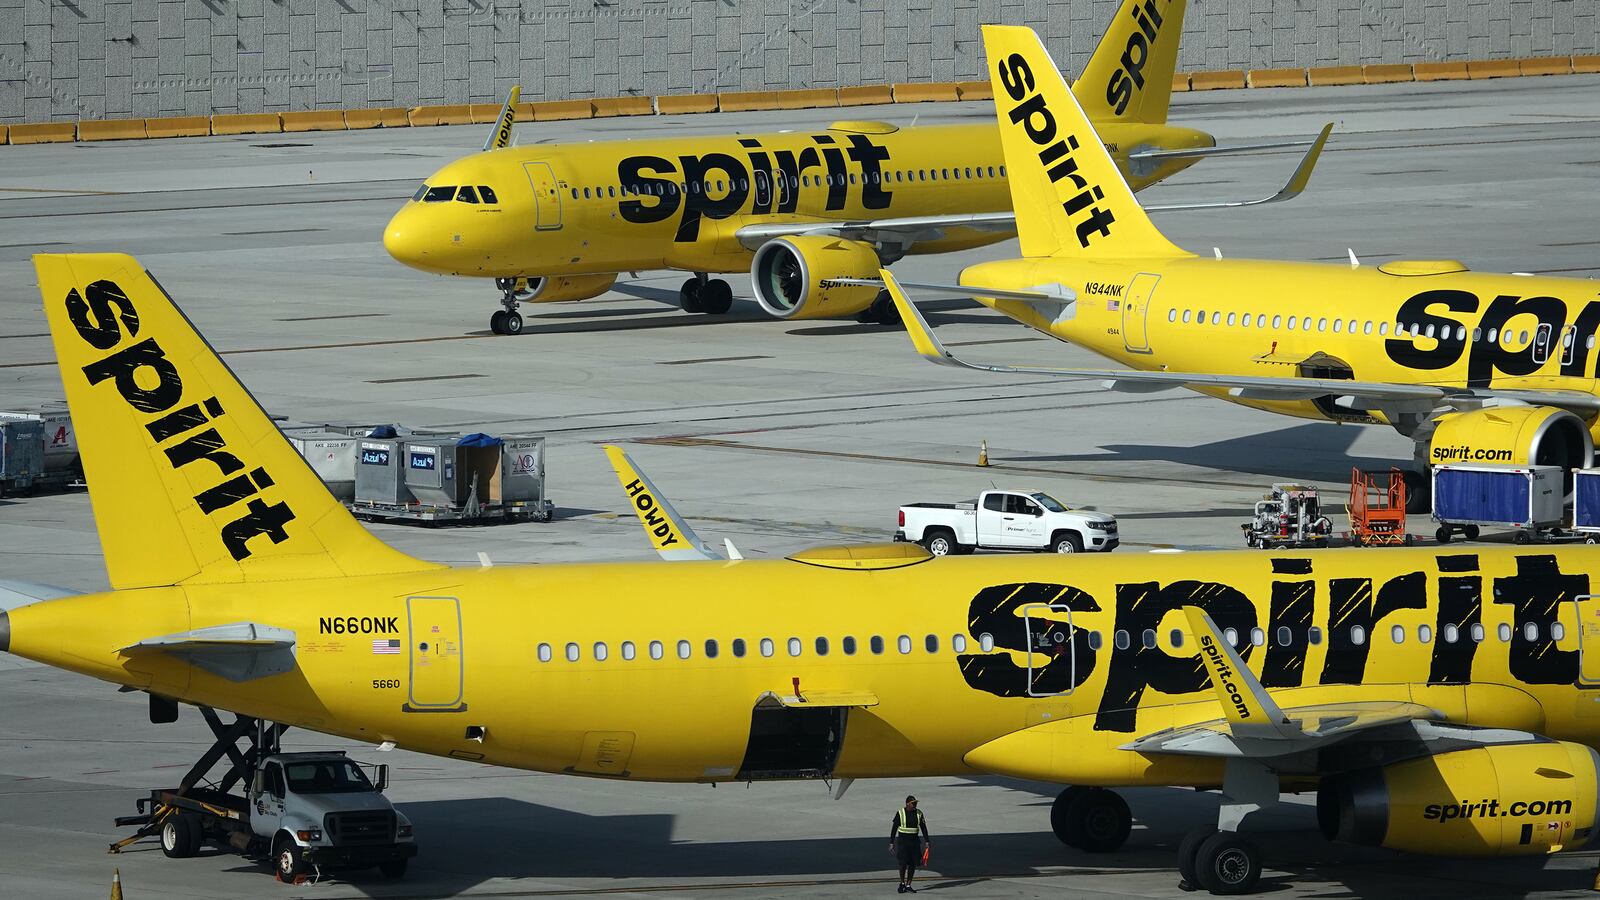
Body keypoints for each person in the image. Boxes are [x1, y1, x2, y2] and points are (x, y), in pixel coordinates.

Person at [889, 795, 930, 893]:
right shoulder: (900, 813)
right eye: (913, 803)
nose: (915, 804)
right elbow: (894, 828)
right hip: (903, 842)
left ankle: (908, 885)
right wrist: (891, 842)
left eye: (916, 803)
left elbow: (923, 828)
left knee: (913, 864)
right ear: (907, 803)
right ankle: (902, 883)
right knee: (902, 863)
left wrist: (927, 841)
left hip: (914, 842)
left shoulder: (919, 813)